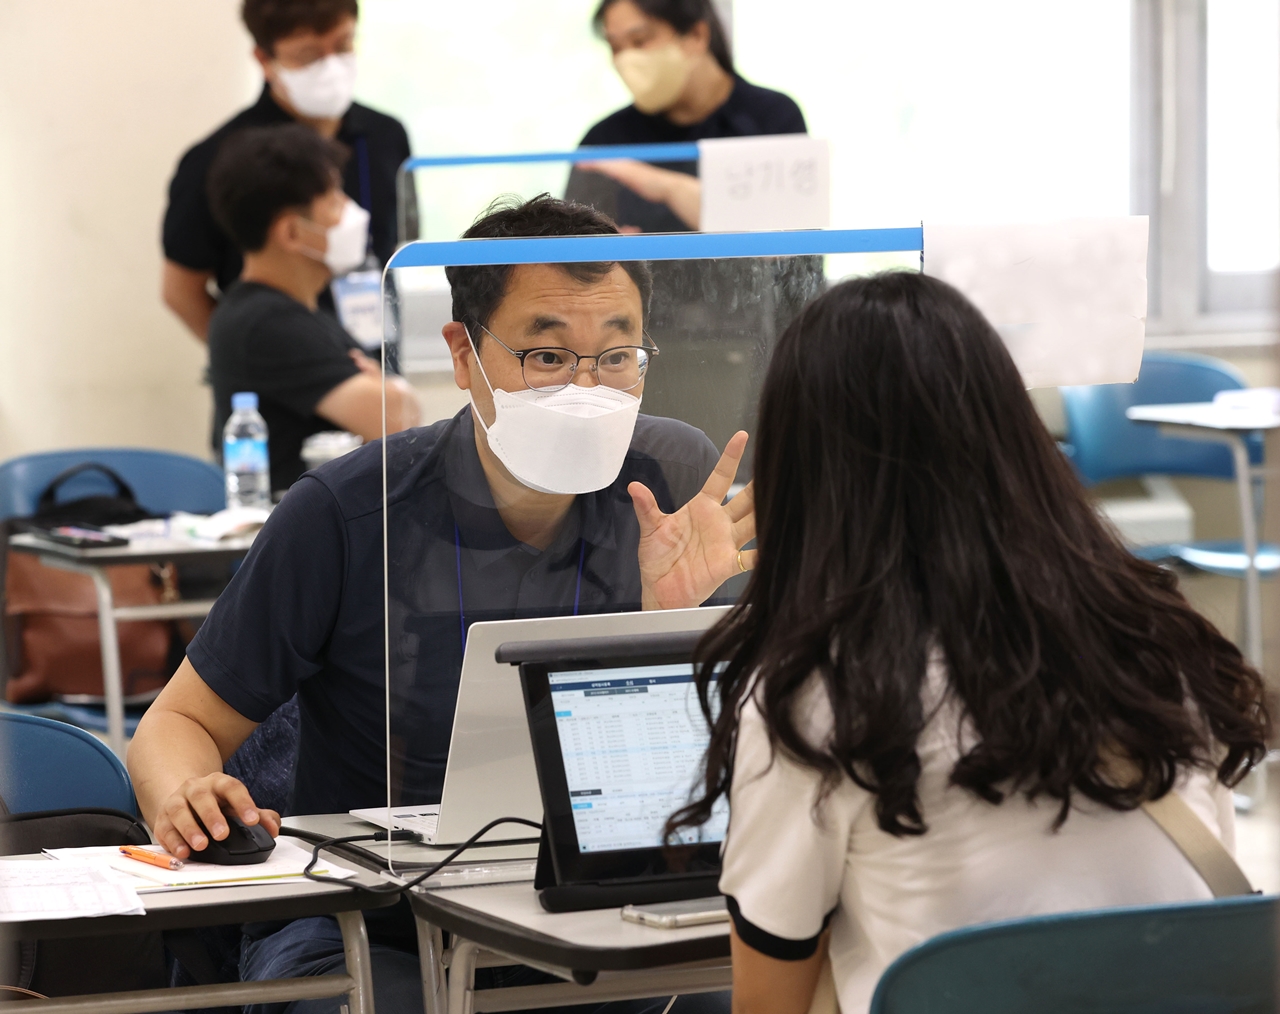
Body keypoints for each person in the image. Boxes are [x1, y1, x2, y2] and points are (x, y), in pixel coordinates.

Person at [127, 195, 749, 1014]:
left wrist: (670, 621)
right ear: (463, 354)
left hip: (599, 897)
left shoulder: (670, 477)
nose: (590, 389)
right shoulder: (347, 512)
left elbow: (743, 745)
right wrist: (185, 795)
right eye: (548, 356)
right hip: (373, 917)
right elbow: (175, 728)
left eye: (618, 355)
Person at [666, 272, 1271, 1014]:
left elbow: (769, 1005)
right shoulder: (1158, 641)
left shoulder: (816, 698)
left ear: (807, 471)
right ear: (1014, 439)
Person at [162, 0, 413, 341]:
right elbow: (181, 290)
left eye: (342, 46)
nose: (331, 66)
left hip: (376, 364)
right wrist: (247, 363)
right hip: (280, 379)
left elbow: (400, 249)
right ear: (265, 60)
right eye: (308, 55)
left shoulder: (386, 136)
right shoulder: (218, 160)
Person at [205, 124, 420, 495]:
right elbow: (399, 419)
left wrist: (386, 389)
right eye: (334, 201)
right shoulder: (266, 323)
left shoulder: (305, 313)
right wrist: (388, 388)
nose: (351, 213)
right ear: (291, 233)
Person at [566, 0, 805, 232]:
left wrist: (669, 188)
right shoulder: (603, 140)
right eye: (616, 47)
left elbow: (795, 256)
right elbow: (571, 258)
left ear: (696, 36)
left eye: (640, 41)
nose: (626, 60)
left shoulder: (773, 118)